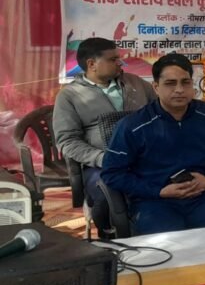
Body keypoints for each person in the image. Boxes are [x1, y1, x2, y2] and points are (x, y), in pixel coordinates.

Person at [101, 54, 205, 236]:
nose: (179, 90)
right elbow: (112, 173)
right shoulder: (132, 126)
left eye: (185, 82)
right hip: (154, 202)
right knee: (167, 245)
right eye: (170, 83)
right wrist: (159, 191)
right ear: (156, 87)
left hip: (204, 198)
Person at [53, 38, 157, 236]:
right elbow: (68, 141)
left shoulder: (136, 84)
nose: (120, 63)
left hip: (145, 157)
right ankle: (111, 236)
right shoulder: (70, 96)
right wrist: (103, 158)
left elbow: (160, 114)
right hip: (101, 164)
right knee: (107, 194)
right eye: (113, 59)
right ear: (92, 64)